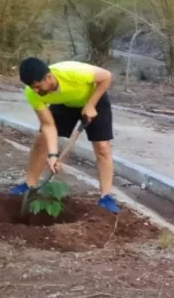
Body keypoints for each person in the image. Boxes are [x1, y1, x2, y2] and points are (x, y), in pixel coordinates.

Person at [10, 57, 120, 214]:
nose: (35, 91)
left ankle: (106, 197)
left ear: (48, 77)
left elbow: (106, 76)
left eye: (38, 86)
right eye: (32, 87)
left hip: (93, 98)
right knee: (42, 141)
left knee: (102, 147)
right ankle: (29, 185)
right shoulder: (33, 93)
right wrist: (53, 155)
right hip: (64, 104)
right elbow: (48, 125)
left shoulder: (73, 72)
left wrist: (90, 105)